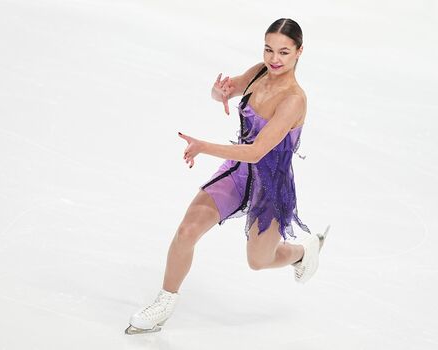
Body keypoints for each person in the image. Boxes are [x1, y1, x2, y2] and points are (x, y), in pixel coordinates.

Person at [125, 18, 330, 335]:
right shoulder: (260, 72)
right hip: (238, 172)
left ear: (299, 52)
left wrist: (204, 146)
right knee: (187, 229)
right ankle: (164, 304)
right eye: (268, 49)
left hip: (271, 186)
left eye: (284, 52)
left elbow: (256, 152)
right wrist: (218, 91)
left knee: (258, 261)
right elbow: (225, 90)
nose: (274, 59)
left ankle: (303, 252)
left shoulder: (293, 99)